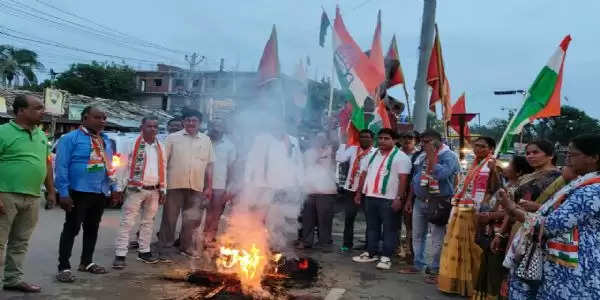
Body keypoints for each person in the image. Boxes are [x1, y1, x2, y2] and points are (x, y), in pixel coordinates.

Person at [501, 134, 600, 299]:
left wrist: (512, 209)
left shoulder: (592, 190)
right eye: (566, 154)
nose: (567, 159)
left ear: (594, 157)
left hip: (572, 265)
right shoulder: (585, 183)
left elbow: (549, 226)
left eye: (572, 155)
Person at [55, 106, 122, 282]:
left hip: (99, 191)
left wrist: (114, 189)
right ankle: (64, 267)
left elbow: (110, 167)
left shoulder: (106, 141)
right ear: (85, 118)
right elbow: (61, 166)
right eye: (97, 117)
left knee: (92, 228)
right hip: (77, 191)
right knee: (72, 228)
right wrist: (63, 192)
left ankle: (87, 262)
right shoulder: (69, 139)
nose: (102, 121)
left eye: (104, 117)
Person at [0, 95, 54, 293]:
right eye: (37, 108)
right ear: (21, 110)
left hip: (32, 196)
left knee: (20, 241)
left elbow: (47, 164)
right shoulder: (3, 132)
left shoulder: (41, 135)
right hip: (6, 193)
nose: (43, 111)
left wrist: (51, 191)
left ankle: (13, 279)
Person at [496, 140, 561, 299]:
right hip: (517, 226)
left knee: (527, 273)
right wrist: (500, 233)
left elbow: (556, 210)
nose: (530, 156)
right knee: (511, 270)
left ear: (550, 155)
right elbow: (511, 206)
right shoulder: (528, 176)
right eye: (528, 153)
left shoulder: (558, 178)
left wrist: (535, 207)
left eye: (535, 152)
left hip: (535, 230)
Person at [437, 137, 501, 295]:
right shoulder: (472, 163)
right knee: (455, 246)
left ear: (491, 148)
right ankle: (455, 283)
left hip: (476, 211)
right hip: (461, 209)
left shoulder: (493, 164)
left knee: (472, 247)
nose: (478, 149)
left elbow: (496, 189)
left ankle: (472, 285)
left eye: (483, 147)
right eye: (476, 146)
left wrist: (494, 171)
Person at [399, 130, 459, 280]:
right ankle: (417, 264)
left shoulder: (449, 156)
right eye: (423, 141)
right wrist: (409, 200)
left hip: (439, 201)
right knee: (418, 234)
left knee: (437, 237)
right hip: (419, 201)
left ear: (438, 141)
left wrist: (432, 156)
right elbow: (415, 179)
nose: (424, 144)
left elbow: (440, 175)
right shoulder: (422, 155)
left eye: (428, 141)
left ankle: (434, 268)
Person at [473, 156, 534, 300]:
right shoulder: (507, 185)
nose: (505, 168)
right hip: (492, 230)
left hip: (503, 233)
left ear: (518, 172)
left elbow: (512, 211)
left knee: (496, 271)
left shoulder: (520, 188)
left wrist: (491, 216)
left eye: (509, 166)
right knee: (488, 267)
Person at [158, 109, 214, 260]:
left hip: (196, 185)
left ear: (200, 123)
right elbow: (163, 162)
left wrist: (209, 186)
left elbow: (209, 165)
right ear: (183, 122)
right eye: (188, 120)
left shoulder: (206, 140)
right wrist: (161, 184)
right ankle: (165, 248)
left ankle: (186, 247)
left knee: (192, 219)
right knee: (169, 218)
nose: (191, 123)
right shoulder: (172, 138)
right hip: (174, 184)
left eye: (194, 121)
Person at [352, 128, 411, 270]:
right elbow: (363, 175)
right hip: (371, 197)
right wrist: (359, 193)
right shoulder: (372, 155)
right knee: (372, 227)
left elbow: (403, 180)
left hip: (389, 199)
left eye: (386, 138)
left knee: (390, 229)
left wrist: (399, 198)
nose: (382, 141)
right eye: (380, 138)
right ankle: (371, 253)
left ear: (394, 140)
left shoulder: (401, 157)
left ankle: (386, 257)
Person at [112, 116, 166, 269]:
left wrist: (164, 189)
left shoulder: (161, 146)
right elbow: (121, 167)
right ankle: (120, 254)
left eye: (155, 126)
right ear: (142, 127)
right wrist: (118, 188)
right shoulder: (130, 144)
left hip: (154, 189)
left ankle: (144, 251)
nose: (153, 129)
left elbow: (164, 168)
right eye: (149, 126)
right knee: (127, 222)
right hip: (135, 189)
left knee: (148, 222)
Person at [336, 129, 376, 252]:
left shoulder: (376, 152)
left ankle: (369, 245)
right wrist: (344, 144)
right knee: (349, 218)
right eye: (362, 137)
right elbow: (340, 158)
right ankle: (347, 244)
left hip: (367, 191)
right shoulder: (353, 149)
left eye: (367, 137)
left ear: (372, 139)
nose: (364, 139)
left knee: (370, 220)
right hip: (351, 189)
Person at [299, 133, 337, 252]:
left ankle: (324, 242)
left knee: (324, 219)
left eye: (322, 138)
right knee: (307, 219)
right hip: (309, 191)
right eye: (317, 138)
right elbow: (303, 169)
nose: (320, 140)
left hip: (326, 191)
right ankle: (307, 241)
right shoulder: (308, 153)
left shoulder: (332, 151)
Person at [203, 119, 237, 247]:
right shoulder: (201, 140)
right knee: (194, 214)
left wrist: (229, 188)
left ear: (224, 128)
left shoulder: (229, 145)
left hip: (219, 186)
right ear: (209, 126)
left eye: (220, 125)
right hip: (198, 184)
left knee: (215, 214)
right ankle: (191, 239)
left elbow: (231, 168)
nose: (216, 128)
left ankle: (209, 239)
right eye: (213, 125)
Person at [398, 131, 419, 263]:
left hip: (411, 194)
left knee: (410, 225)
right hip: (393, 192)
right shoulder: (395, 153)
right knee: (393, 223)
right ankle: (396, 248)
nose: (407, 140)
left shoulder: (419, 156)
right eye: (404, 137)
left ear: (415, 140)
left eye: (410, 138)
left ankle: (410, 252)